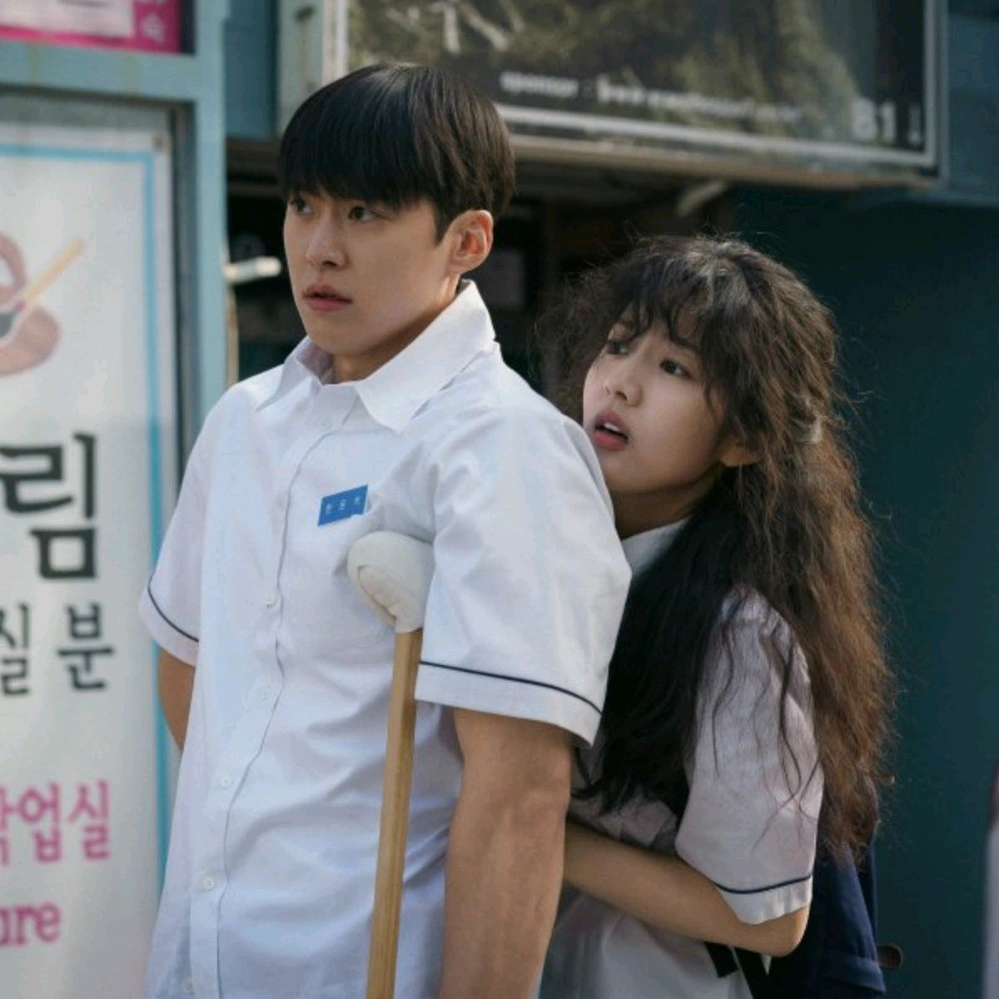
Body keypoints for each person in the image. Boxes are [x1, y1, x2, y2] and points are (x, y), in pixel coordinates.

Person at [140, 63, 630, 999]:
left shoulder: (503, 447)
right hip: (200, 958)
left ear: (466, 240)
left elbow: (521, 796)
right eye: (303, 206)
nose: (319, 248)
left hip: (365, 970)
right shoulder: (245, 421)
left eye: (364, 213)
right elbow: (189, 665)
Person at [539, 235, 892, 998]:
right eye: (617, 345)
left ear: (744, 438)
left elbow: (768, 918)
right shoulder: (548, 561)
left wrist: (533, 831)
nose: (620, 383)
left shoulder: (740, 633)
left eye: (674, 368)